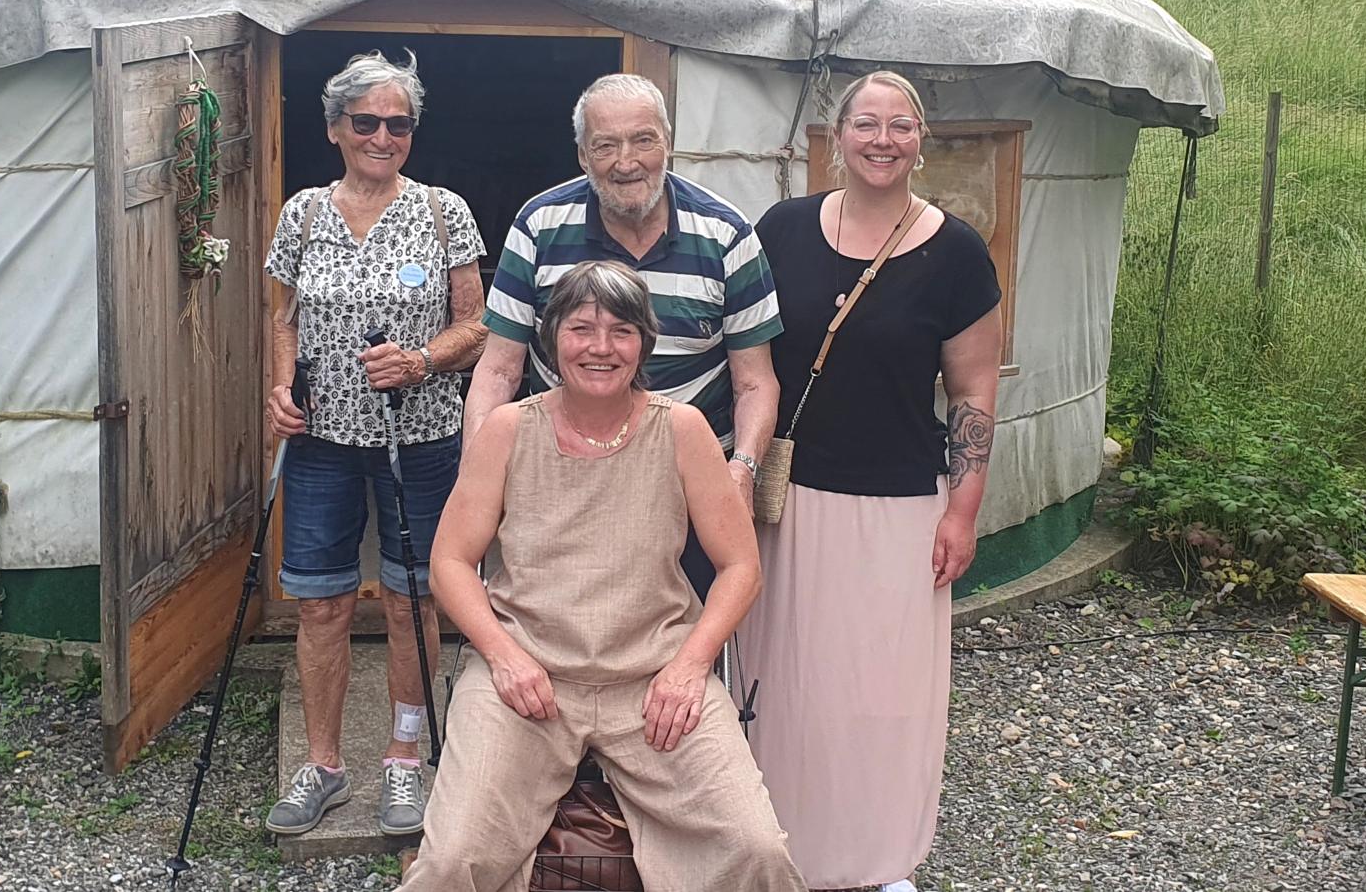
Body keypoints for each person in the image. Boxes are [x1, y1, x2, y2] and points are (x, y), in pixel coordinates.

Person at [399, 261, 805, 892]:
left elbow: (740, 567)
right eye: (581, 328)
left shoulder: (683, 430)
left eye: (621, 330)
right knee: (453, 860)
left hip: (654, 677)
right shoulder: (508, 430)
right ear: (551, 337)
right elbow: (450, 562)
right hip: (526, 677)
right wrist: (503, 657)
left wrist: (690, 666)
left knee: (755, 849)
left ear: (645, 342)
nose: (600, 347)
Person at [737, 71, 1003, 892]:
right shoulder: (781, 230)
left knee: (884, 692)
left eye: (899, 125)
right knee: (783, 683)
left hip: (899, 503)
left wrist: (962, 509)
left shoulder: (955, 253)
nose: (881, 140)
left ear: (921, 140)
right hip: (789, 498)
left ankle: (881, 860)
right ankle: (776, 849)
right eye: (865, 123)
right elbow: (743, 361)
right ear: (837, 135)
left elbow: (972, 392)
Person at [261, 51, 487, 838]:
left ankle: (403, 757)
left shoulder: (441, 211)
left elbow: (475, 324)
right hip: (321, 439)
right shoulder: (303, 214)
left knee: (410, 597)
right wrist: (280, 389)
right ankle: (324, 764)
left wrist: (421, 359)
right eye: (366, 122)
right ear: (335, 128)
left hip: (418, 436)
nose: (382, 136)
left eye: (398, 123)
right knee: (320, 601)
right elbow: (283, 318)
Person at [463, 73, 781, 597]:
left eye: (643, 140)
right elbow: (498, 369)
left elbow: (755, 383)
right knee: (555, 621)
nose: (626, 161)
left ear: (669, 142)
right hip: (558, 473)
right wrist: (479, 475)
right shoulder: (539, 226)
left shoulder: (726, 234)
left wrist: (740, 471)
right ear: (582, 156)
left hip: (685, 481)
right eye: (605, 145)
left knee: (685, 626)